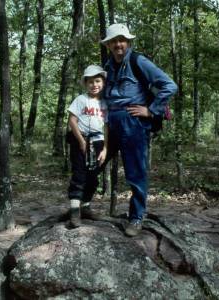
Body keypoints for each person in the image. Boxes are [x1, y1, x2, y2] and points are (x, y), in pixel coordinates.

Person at [101, 23, 178, 237]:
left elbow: (170, 85)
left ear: (128, 42)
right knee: (92, 161)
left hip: (133, 124)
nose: (118, 44)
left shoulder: (138, 61)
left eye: (122, 40)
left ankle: (136, 217)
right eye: (114, 41)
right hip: (109, 124)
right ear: (108, 44)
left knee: (135, 173)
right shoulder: (107, 67)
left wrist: (151, 110)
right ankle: (82, 205)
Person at [67, 65, 108, 228]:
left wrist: (105, 148)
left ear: (103, 82)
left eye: (97, 81)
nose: (94, 85)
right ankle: (74, 212)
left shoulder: (105, 103)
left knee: (93, 176)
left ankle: (85, 207)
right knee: (79, 174)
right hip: (80, 140)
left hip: (98, 142)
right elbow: (72, 120)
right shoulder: (81, 99)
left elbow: (106, 127)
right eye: (90, 82)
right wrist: (81, 141)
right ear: (85, 83)